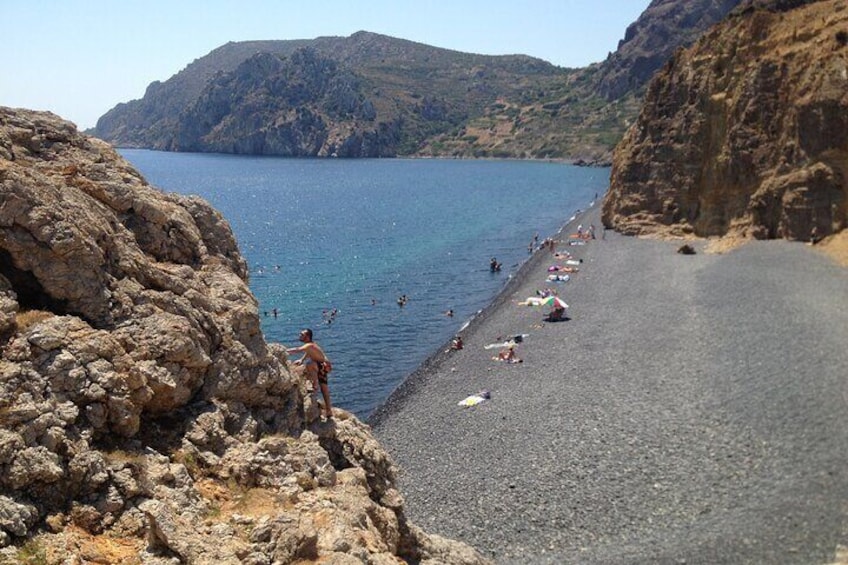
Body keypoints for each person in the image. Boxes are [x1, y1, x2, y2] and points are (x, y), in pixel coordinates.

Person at [287, 328, 333, 419]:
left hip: (323, 366)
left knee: (309, 365)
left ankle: (314, 385)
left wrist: (283, 350)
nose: (300, 335)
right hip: (324, 365)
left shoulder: (309, 345)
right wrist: (301, 360)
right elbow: (308, 352)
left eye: (302, 334)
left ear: (307, 337)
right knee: (324, 389)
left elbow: (297, 349)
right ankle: (329, 411)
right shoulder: (311, 345)